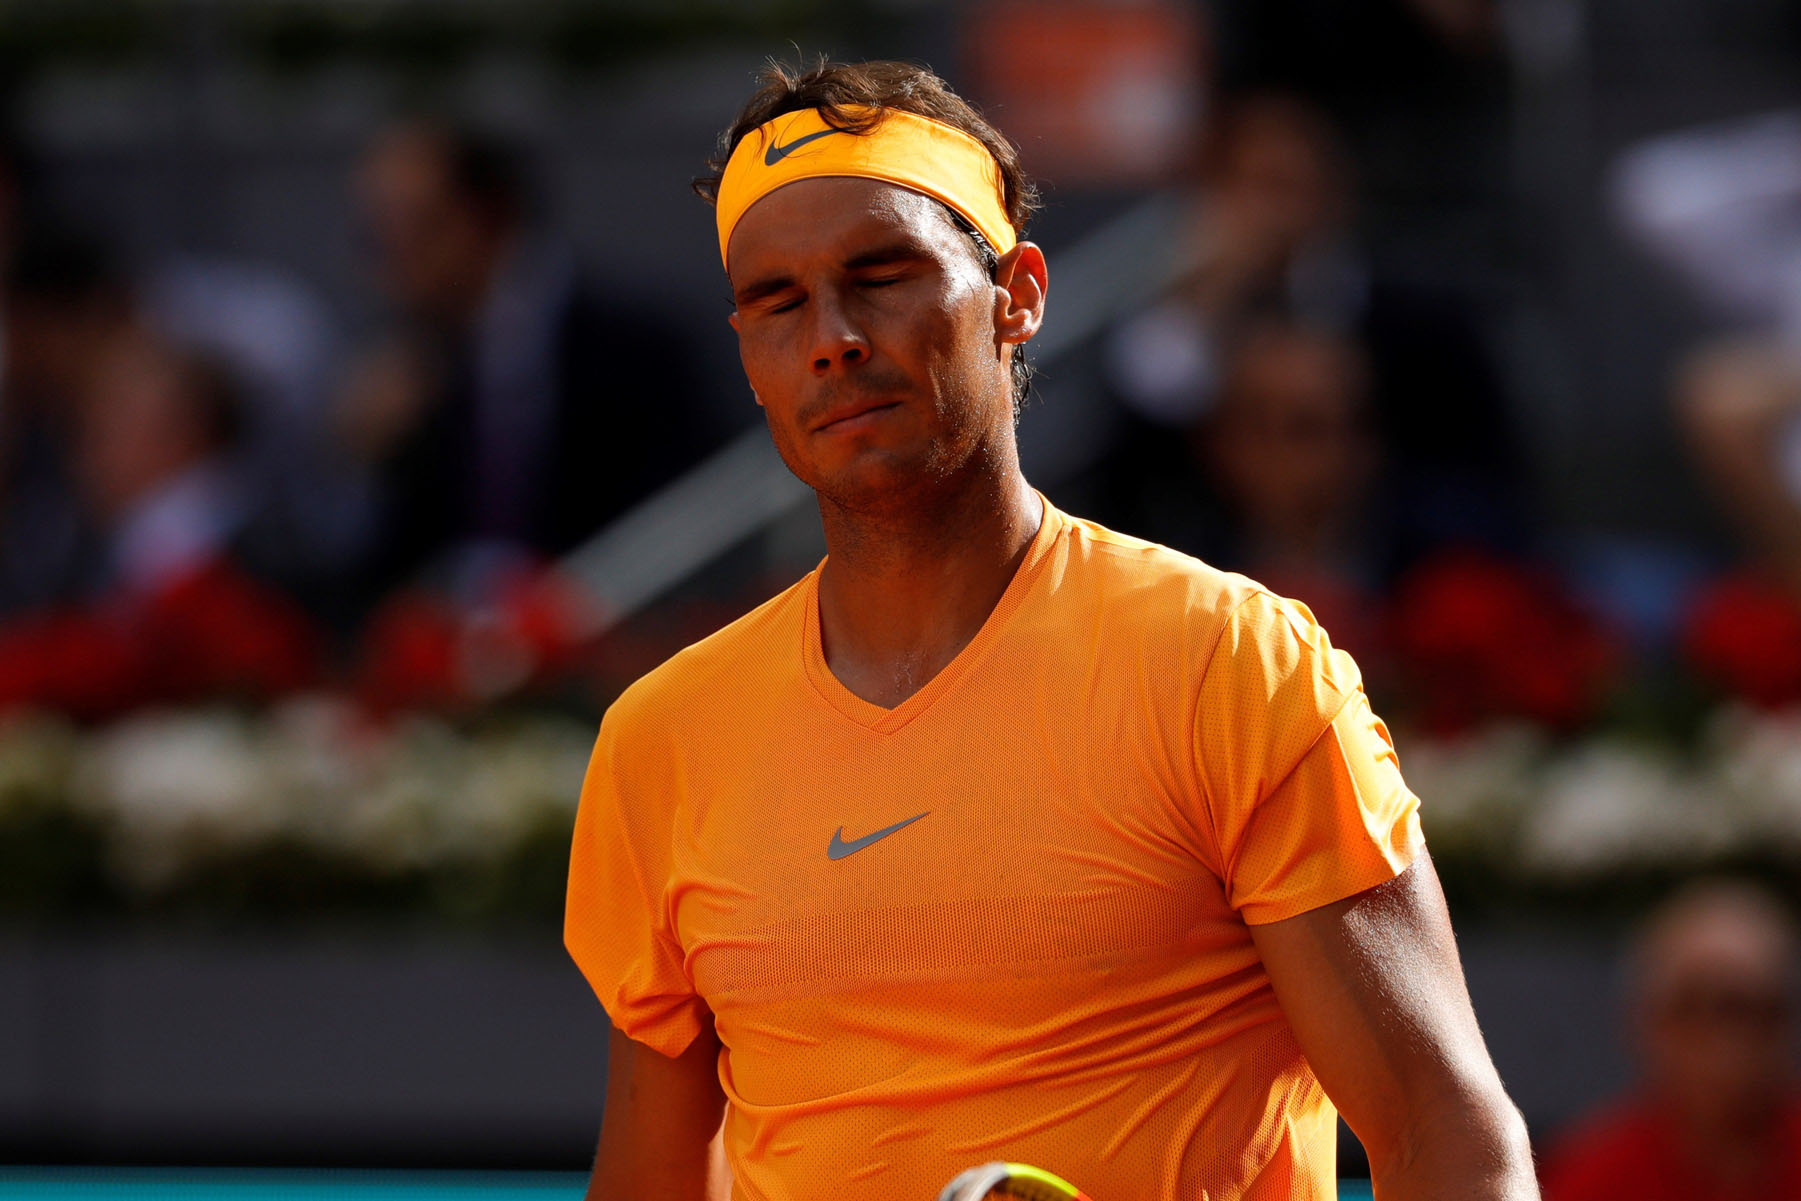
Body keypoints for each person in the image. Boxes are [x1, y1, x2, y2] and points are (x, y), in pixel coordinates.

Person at [564, 59, 1535, 1201]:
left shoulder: (1229, 662)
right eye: (778, 302)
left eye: (882, 275)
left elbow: (1447, 1140)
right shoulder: (661, 739)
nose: (832, 337)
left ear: (1017, 294)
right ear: (747, 352)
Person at [340, 119, 723, 604]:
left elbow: (687, 518)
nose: (391, 262)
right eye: (375, 236)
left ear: (486, 216)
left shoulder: (635, 346)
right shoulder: (409, 365)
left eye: (414, 228)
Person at [1542, 881, 1801, 1201]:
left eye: (1743, 1008)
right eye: (1689, 1007)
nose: (1721, 1041)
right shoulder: (1585, 1176)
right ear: (1645, 1022)